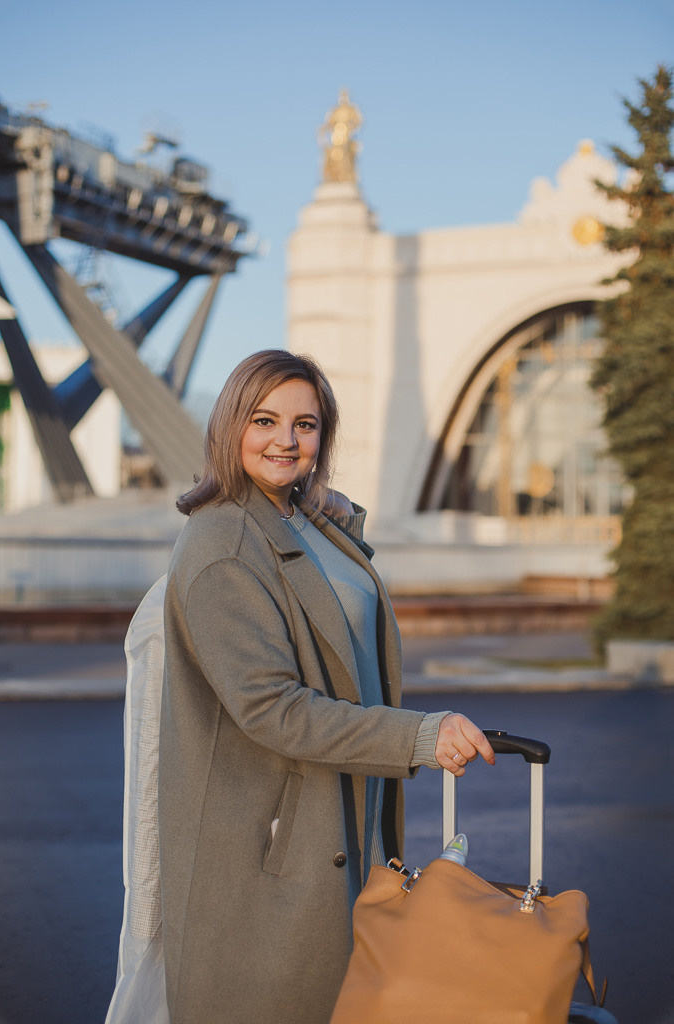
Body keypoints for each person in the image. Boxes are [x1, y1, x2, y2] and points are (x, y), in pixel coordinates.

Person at [158, 349, 496, 1024]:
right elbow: (274, 710)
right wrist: (420, 736)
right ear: (230, 428)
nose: (286, 439)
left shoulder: (298, 517)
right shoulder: (223, 545)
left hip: (340, 810)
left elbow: (335, 621)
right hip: (274, 841)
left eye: (304, 424)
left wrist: (335, 520)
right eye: (265, 420)